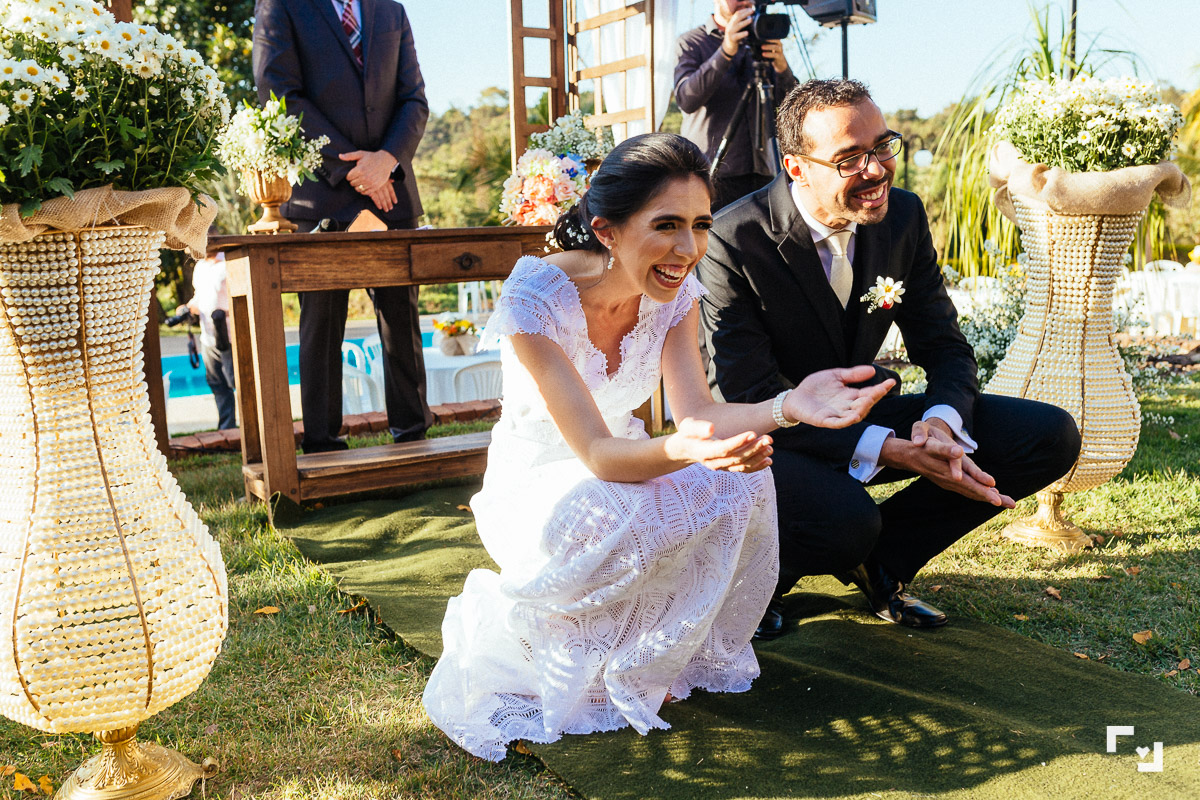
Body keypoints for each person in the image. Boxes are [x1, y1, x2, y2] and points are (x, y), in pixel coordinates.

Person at [422, 133, 893, 761]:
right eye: (666, 225)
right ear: (608, 230)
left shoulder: (677, 297)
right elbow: (595, 454)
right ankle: (594, 655)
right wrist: (687, 451)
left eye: (700, 225)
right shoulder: (536, 295)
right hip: (542, 484)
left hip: (629, 459)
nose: (688, 249)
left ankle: (655, 649)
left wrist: (789, 406)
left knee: (742, 480)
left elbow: (696, 412)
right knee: (626, 504)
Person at [696, 79, 1082, 639]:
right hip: (771, 435)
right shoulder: (731, 239)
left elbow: (945, 347)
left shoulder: (901, 216)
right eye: (849, 159)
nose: (876, 169)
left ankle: (883, 563)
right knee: (847, 519)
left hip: (864, 411)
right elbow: (746, 395)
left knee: (1048, 435)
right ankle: (762, 579)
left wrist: (940, 426)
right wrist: (892, 451)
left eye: (882, 146)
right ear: (796, 167)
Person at [253, 0, 433, 451]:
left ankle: (413, 440)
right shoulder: (280, 7)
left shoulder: (390, 10)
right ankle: (322, 444)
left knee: (401, 322)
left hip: (392, 192)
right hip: (321, 195)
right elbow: (279, 92)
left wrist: (387, 160)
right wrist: (354, 169)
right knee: (322, 326)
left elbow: (414, 97)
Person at [673, 0, 798, 211]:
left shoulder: (760, 40)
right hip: (713, 173)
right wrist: (726, 51)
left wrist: (782, 68)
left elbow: (794, 110)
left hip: (765, 173)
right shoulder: (692, 42)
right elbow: (687, 99)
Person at [177, 246, 236, 430]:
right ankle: (227, 429)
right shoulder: (200, 267)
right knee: (217, 384)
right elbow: (200, 297)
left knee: (237, 382)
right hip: (208, 337)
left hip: (230, 336)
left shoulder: (229, 263)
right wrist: (186, 309)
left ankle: (255, 428)